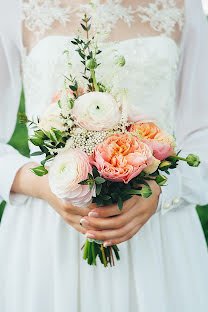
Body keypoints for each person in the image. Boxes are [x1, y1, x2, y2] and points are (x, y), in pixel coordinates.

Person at [0, 1, 208, 311]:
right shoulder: (13, 7)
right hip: (47, 235)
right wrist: (42, 185)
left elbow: (202, 131)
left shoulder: (186, 6)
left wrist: (163, 189)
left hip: (157, 231)